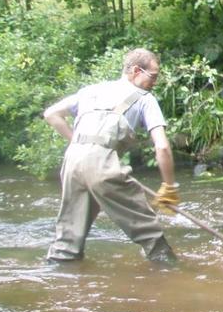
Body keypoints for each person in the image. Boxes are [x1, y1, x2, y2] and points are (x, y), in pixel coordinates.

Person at [43, 48, 180, 262]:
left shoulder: (91, 91)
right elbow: (162, 147)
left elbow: (51, 114)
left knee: (67, 240)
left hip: (72, 161)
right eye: (153, 76)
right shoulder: (145, 98)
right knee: (148, 231)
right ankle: (171, 271)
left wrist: (79, 143)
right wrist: (169, 187)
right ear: (136, 71)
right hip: (101, 165)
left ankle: (59, 275)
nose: (155, 82)